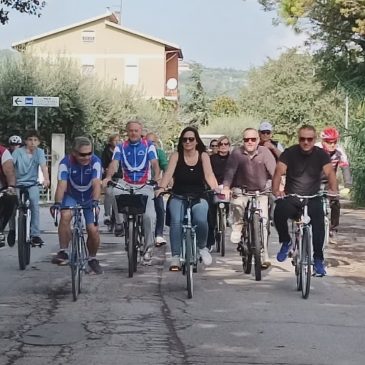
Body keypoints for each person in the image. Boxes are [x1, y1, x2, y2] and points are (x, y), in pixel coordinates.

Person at [272, 125, 338, 277]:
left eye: (309, 139)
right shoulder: (289, 153)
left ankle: (318, 261)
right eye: (303, 139)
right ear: (298, 139)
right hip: (293, 197)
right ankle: (286, 241)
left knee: (319, 225)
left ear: (314, 140)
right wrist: (276, 190)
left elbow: (330, 173)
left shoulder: (321, 154)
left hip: (313, 197)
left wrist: (333, 189)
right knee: (279, 212)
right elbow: (278, 171)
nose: (306, 142)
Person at [156, 126, 218, 271]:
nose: (188, 142)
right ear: (181, 142)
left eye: (191, 139)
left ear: (196, 141)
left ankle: (202, 247)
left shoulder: (203, 156)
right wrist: (161, 188)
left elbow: (209, 175)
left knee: (201, 219)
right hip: (178, 195)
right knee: (176, 220)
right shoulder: (176, 156)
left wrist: (216, 189)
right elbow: (168, 174)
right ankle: (176, 257)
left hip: (198, 195)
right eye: (185, 139)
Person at [103, 120, 160, 265]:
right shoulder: (120, 147)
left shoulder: (149, 146)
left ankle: (148, 248)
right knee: (113, 191)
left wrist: (156, 179)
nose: (133, 133)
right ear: (127, 132)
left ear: (141, 132)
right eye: (131, 130)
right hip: (126, 183)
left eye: (136, 130)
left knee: (149, 216)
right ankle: (120, 223)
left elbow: (154, 164)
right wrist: (109, 177)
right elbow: (114, 164)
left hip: (144, 184)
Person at [222, 128, 276, 268]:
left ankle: (264, 254)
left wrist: (280, 186)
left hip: (261, 192)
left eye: (253, 139)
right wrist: (226, 187)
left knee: (264, 222)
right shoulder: (236, 154)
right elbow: (229, 173)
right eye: (247, 139)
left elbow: (274, 171)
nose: (250, 142)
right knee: (237, 205)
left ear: (258, 140)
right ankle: (238, 228)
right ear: (243, 141)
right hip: (242, 190)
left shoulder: (265, 152)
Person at [50, 137, 103, 274]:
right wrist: (57, 203)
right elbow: (62, 185)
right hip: (72, 196)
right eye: (82, 154)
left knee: (93, 230)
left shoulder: (96, 162)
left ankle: (92, 258)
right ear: (74, 152)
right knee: (65, 215)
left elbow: (97, 183)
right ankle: (63, 251)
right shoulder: (65, 163)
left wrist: (96, 202)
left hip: (90, 198)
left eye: (89, 153)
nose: (86, 157)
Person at [12, 130, 50, 246]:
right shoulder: (18, 152)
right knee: (12, 205)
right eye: (30, 139)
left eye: (35, 140)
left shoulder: (39, 152)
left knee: (34, 205)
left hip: (32, 184)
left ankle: (35, 235)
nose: (32, 142)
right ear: (25, 141)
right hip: (17, 183)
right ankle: (12, 230)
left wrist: (46, 179)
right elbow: (11, 166)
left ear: (38, 142)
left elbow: (44, 167)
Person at [316, 127, 352, 243]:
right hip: (313, 180)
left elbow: (345, 167)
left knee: (335, 202)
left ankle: (333, 230)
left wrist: (348, 184)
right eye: (328, 142)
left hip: (329, 181)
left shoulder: (339, 151)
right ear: (322, 141)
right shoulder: (316, 149)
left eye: (334, 142)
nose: (332, 145)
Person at [207, 135, 231, 250]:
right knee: (210, 213)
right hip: (214, 187)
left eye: (226, 144)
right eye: (221, 144)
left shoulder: (233, 159)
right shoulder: (211, 159)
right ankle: (210, 240)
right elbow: (207, 173)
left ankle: (227, 218)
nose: (223, 146)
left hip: (228, 187)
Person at [145, 132, 169, 247]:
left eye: (153, 142)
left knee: (159, 208)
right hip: (141, 185)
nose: (151, 144)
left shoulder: (160, 153)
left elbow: (166, 168)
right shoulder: (141, 152)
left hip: (155, 184)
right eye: (149, 142)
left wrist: (166, 181)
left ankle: (158, 234)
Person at [101, 133, 124, 235]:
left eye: (119, 140)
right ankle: (107, 214)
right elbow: (103, 164)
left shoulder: (122, 151)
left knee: (119, 197)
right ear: (110, 142)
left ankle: (120, 222)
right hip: (109, 177)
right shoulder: (106, 152)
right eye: (115, 140)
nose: (117, 142)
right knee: (109, 193)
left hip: (120, 177)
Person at [6, 135, 22, 246]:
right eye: (13, 144)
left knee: (29, 203)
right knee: (11, 207)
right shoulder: (7, 156)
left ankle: (31, 230)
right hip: (12, 184)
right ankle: (12, 230)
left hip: (24, 183)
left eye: (17, 144)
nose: (15, 147)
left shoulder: (25, 154)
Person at [0, 144, 17, 248]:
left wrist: (11, 186)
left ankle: (1, 228)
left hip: (2, 188)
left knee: (11, 197)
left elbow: (9, 171)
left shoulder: (3, 152)